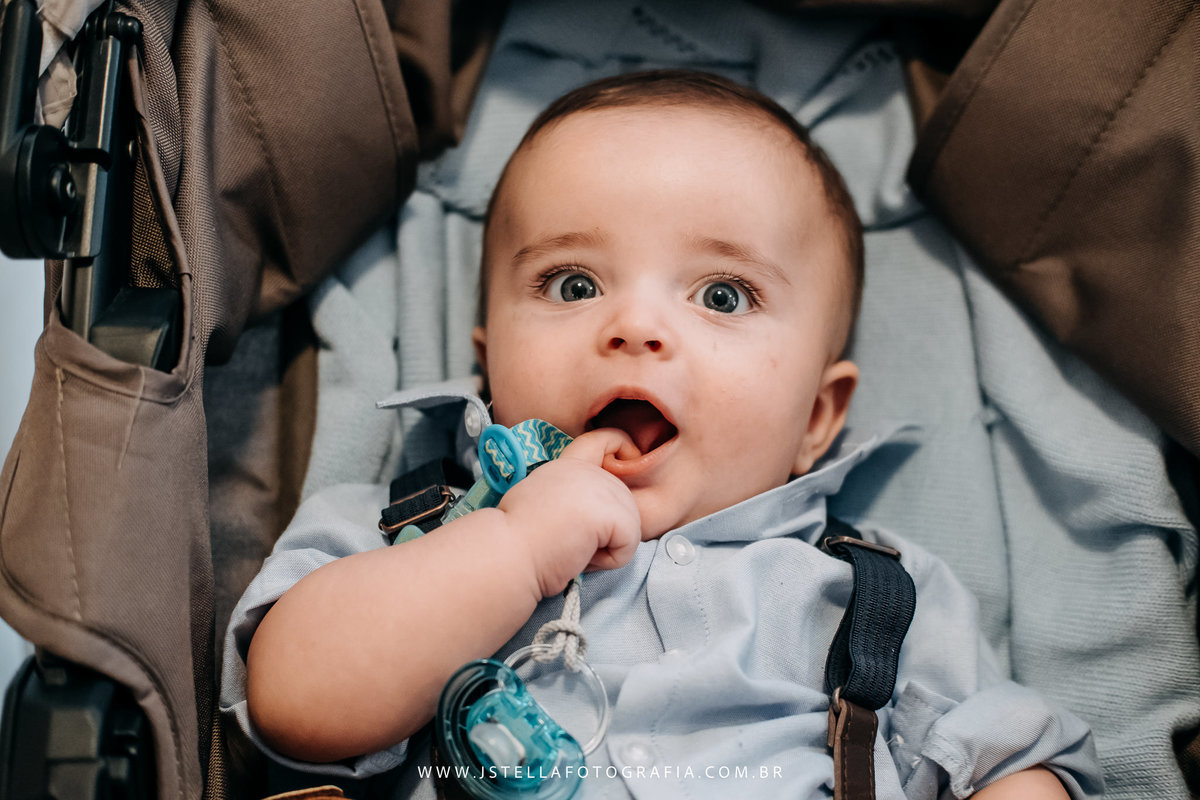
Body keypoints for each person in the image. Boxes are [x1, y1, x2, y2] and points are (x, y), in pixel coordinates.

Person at [223, 70, 1102, 799]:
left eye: (723, 296)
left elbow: (1017, 761)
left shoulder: (870, 596)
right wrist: (516, 547)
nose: (636, 326)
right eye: (572, 285)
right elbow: (296, 701)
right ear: (490, 367)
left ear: (818, 420)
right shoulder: (405, 532)